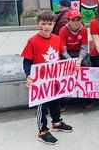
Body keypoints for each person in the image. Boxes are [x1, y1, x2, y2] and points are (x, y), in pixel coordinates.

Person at [21, 11, 73, 145]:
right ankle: (42, 131)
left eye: (49, 24)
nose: (46, 27)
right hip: (40, 81)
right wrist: (28, 76)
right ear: (38, 24)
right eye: (43, 24)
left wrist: (70, 65)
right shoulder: (32, 41)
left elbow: (60, 56)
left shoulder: (57, 38)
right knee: (41, 107)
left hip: (54, 78)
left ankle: (56, 122)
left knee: (56, 101)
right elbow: (27, 61)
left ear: (53, 24)